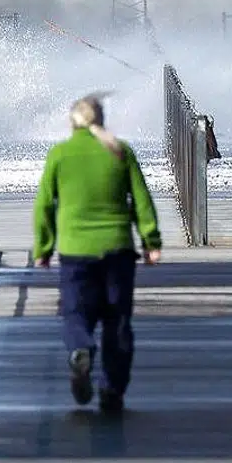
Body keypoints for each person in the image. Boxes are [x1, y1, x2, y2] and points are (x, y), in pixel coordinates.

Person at [33, 94, 162, 414]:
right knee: (117, 320)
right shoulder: (120, 151)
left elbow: (44, 205)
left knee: (76, 313)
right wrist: (151, 241)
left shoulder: (60, 154)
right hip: (118, 250)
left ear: (72, 121)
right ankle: (112, 390)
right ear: (101, 120)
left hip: (76, 251)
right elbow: (141, 200)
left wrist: (43, 248)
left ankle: (80, 348)